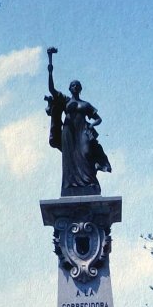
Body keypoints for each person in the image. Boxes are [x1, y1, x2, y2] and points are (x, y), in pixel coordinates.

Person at [45, 48, 111, 197]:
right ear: (70, 88)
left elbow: (98, 118)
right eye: (73, 85)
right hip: (68, 132)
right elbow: (51, 89)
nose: (75, 87)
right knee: (70, 159)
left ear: (80, 89)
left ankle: (89, 182)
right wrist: (50, 67)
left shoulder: (86, 105)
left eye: (77, 85)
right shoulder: (66, 101)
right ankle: (70, 186)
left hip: (82, 132)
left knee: (86, 153)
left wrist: (91, 125)